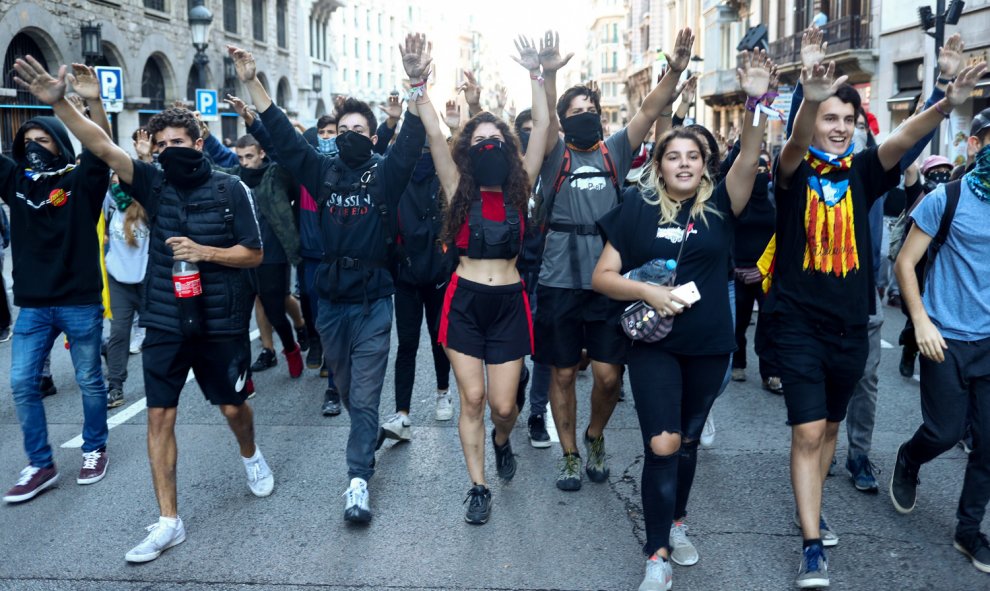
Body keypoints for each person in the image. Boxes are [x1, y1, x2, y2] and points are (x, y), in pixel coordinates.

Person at [15, 58, 279, 560]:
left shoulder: (231, 189)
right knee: (159, 417)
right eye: (160, 147)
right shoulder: (152, 184)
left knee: (232, 408)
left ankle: (251, 453)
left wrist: (205, 253)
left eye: (176, 144)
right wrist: (60, 102)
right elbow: (101, 145)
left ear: (199, 144)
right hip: (164, 319)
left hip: (220, 322)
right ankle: (168, 521)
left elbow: (256, 253)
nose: (166, 153)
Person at [758, 24, 985, 587]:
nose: (837, 129)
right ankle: (812, 543)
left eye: (846, 121)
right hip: (797, 325)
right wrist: (807, 102)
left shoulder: (862, 172)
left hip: (850, 328)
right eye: (828, 119)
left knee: (831, 426)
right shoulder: (794, 172)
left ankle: (814, 498)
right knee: (807, 432)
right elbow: (789, 150)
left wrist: (941, 98)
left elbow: (904, 136)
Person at [592, 49, 775, 591]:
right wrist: (648, 289)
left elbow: (750, 156)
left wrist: (756, 100)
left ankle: (676, 520)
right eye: (674, 156)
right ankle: (657, 554)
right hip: (653, 345)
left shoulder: (721, 204)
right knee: (663, 443)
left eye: (694, 156)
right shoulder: (635, 206)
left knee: (689, 441)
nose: (685, 163)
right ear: (659, 164)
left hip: (711, 344)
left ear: (704, 164)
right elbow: (603, 277)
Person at [231, 34, 429, 523]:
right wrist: (254, 81)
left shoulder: (386, 173)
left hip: (375, 302)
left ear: (372, 134)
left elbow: (412, 139)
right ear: (333, 132)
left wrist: (417, 82)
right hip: (330, 303)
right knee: (344, 388)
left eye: (361, 128)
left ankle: (358, 479)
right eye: (345, 126)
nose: (352, 133)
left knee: (363, 397)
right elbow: (279, 132)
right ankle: (364, 431)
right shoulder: (320, 171)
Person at [535, 28, 696, 492]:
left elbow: (649, 110)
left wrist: (675, 70)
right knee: (562, 372)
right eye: (576, 113)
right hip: (559, 280)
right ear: (564, 121)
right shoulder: (555, 154)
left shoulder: (615, 151)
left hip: (608, 282)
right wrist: (548, 75)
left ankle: (595, 435)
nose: (585, 117)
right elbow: (543, 118)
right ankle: (569, 454)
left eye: (591, 111)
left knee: (607, 377)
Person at [416, 35, 549, 524]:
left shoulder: (521, 185)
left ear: (506, 148)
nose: (488, 146)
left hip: (511, 302)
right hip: (465, 300)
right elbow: (433, 133)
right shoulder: (457, 186)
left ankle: (501, 440)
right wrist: (418, 83)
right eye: (479, 142)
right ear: (467, 152)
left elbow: (543, 131)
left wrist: (537, 74)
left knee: (503, 406)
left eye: (496, 140)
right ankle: (478, 486)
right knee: (471, 398)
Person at [2, 62, 111, 504]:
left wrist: (90, 104)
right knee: (23, 383)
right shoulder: (15, 181)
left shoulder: (81, 179)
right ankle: (41, 462)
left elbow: (101, 147)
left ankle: (94, 448)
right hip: (32, 304)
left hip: (79, 300)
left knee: (88, 379)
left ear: (60, 144)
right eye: (26, 142)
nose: (33, 148)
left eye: (42, 140)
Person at [891, 108, 990, 574]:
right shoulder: (945, 200)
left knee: (988, 444)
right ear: (975, 146)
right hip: (944, 336)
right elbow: (906, 263)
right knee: (945, 431)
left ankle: (968, 533)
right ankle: (910, 458)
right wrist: (921, 321)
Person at [222, 134, 304, 379]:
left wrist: (254, 124)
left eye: (249, 156)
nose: (245, 162)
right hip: (243, 253)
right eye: (240, 157)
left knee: (275, 310)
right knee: (239, 317)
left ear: (261, 153)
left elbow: (285, 157)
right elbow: (212, 164)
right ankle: (246, 375)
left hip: (273, 253)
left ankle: (291, 348)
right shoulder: (234, 177)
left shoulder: (275, 174)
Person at [103, 173, 150, 409]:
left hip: (146, 280)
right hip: (119, 279)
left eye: (119, 180)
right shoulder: (108, 204)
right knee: (119, 333)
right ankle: (115, 386)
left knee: (158, 333)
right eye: (112, 181)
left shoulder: (148, 203)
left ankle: (159, 381)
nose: (115, 184)